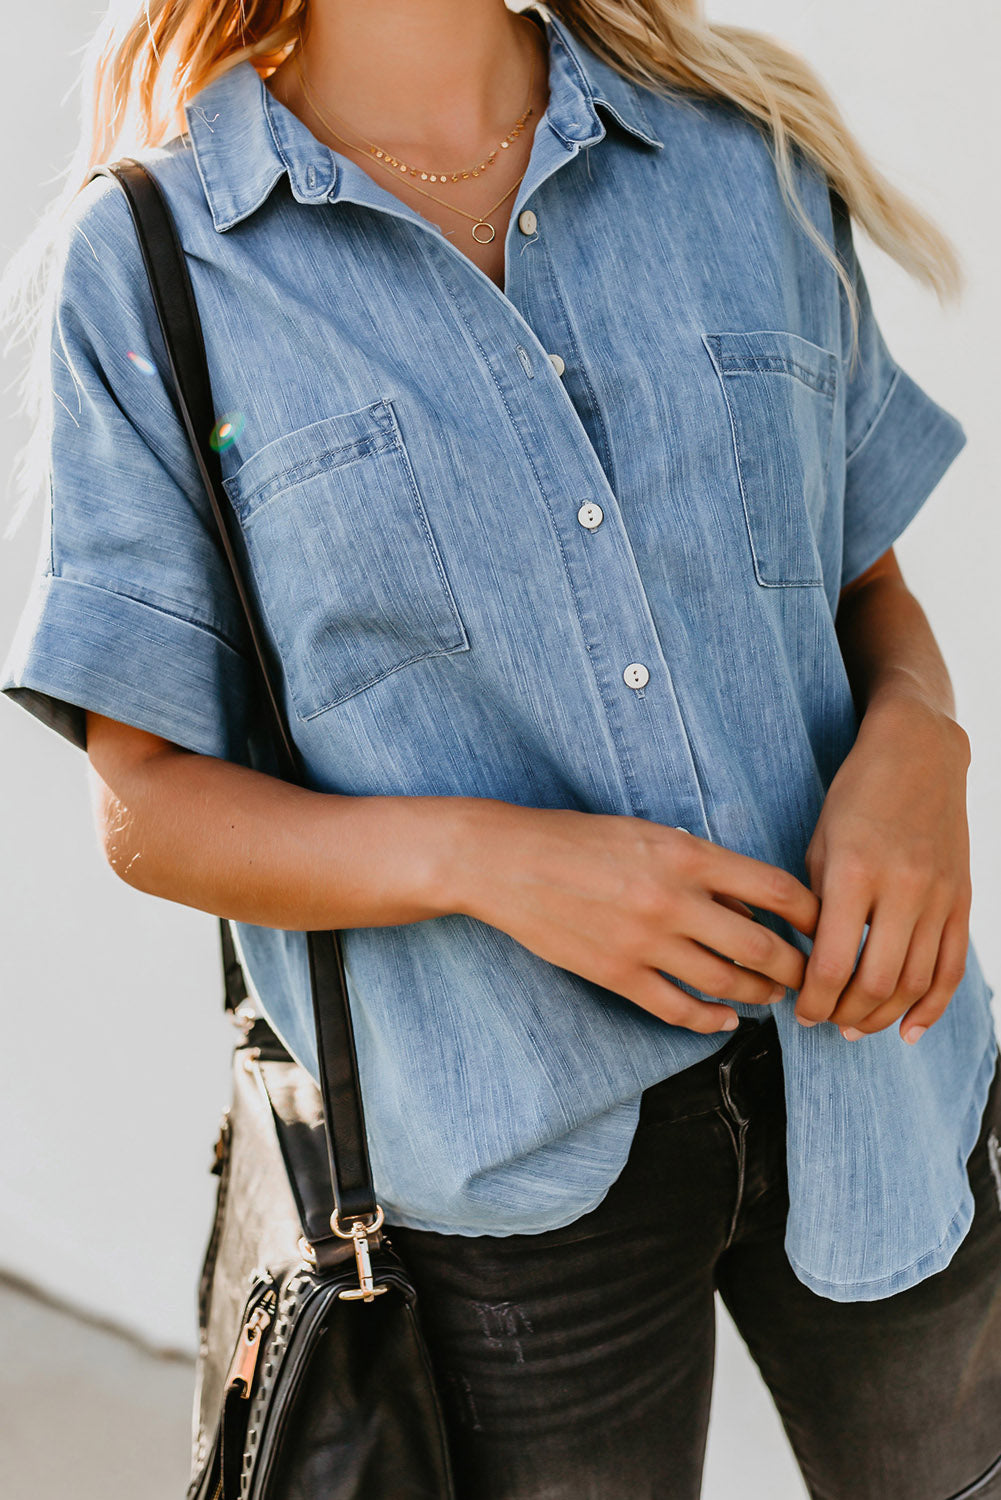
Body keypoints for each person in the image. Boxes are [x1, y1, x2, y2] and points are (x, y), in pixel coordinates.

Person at [3, 0, 999, 1495]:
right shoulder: (154, 265)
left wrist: (922, 747)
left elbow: (861, 586)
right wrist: (491, 864)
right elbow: (147, 802)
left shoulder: (743, 158)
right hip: (498, 1155)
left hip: (881, 1067)